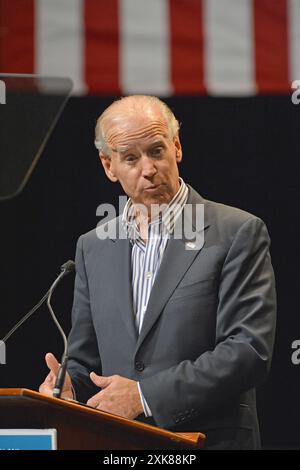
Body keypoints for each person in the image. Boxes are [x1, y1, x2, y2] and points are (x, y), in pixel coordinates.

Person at [39, 95, 276, 450]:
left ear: (176, 148)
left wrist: (144, 395)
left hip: (208, 441)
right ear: (108, 165)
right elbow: (86, 359)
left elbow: (247, 351)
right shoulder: (94, 246)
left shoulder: (237, 231)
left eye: (156, 151)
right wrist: (68, 387)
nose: (147, 169)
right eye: (130, 158)